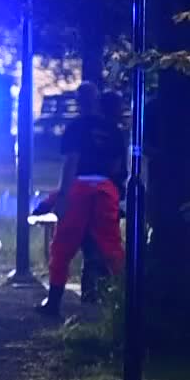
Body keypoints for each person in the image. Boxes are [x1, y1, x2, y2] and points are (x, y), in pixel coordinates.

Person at [36, 81, 127, 319]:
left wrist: (63, 196)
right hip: (105, 189)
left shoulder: (75, 128)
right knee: (110, 245)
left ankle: (54, 302)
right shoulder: (114, 130)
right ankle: (124, 296)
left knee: (63, 245)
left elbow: (71, 162)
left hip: (79, 188)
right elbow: (116, 166)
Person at [78, 89, 128, 306]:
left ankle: (90, 290)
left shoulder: (87, 130)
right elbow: (116, 166)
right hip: (107, 193)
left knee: (90, 241)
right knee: (107, 241)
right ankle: (107, 289)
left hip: (85, 191)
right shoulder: (115, 133)